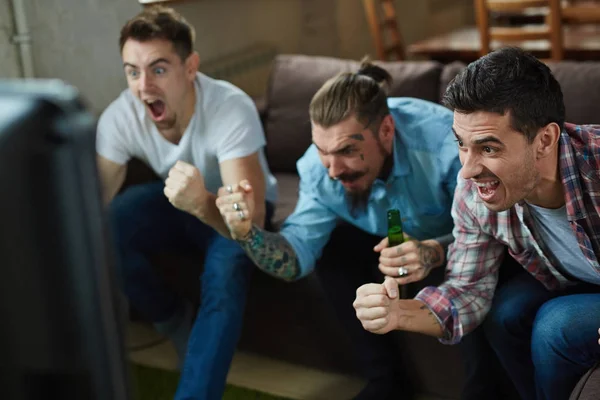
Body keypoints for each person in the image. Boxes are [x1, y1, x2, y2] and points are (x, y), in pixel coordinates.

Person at [353, 47, 600, 400]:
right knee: (505, 313)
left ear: (544, 140)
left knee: (556, 325)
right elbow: (466, 292)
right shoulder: (474, 193)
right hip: (576, 282)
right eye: (462, 145)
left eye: (488, 148)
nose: (467, 169)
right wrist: (396, 313)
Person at [215, 59, 462, 399]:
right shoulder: (320, 173)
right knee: (333, 247)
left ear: (386, 131)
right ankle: (386, 383)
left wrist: (434, 251)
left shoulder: (446, 147)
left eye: (347, 151)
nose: (333, 170)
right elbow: (294, 262)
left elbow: (494, 231)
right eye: (323, 151)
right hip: (385, 239)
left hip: (461, 245)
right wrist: (246, 233)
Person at [95, 6, 277, 400]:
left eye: (158, 69)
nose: (144, 87)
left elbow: (252, 222)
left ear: (190, 66)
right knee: (105, 229)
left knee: (224, 279)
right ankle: (172, 319)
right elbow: (90, 208)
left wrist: (201, 204)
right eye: (132, 71)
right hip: (177, 205)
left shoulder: (230, 107)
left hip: (238, 215)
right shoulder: (120, 118)